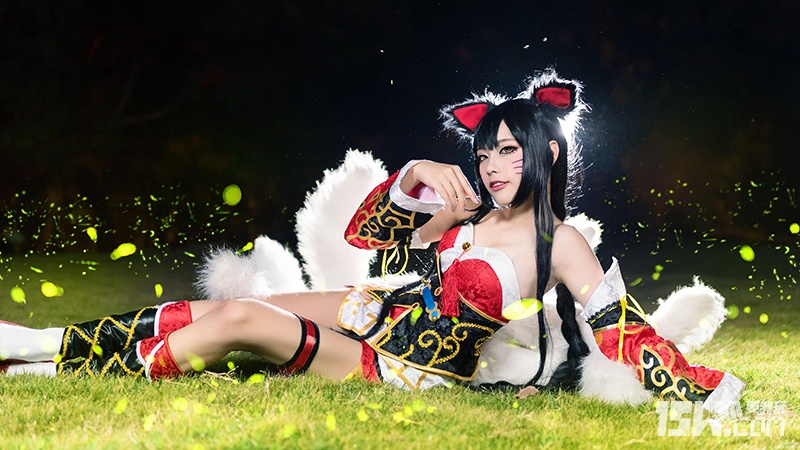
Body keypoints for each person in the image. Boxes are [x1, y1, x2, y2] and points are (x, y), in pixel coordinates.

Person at [0, 69, 743, 409]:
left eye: (509, 150)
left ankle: (47, 375)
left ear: (547, 152)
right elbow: (374, 239)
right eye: (485, 152)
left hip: (408, 370)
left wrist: (709, 389)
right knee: (217, 311)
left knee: (242, 319)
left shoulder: (562, 244)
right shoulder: (468, 217)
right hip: (374, 312)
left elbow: (625, 333)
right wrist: (413, 174)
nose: (491, 165)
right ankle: (38, 343)